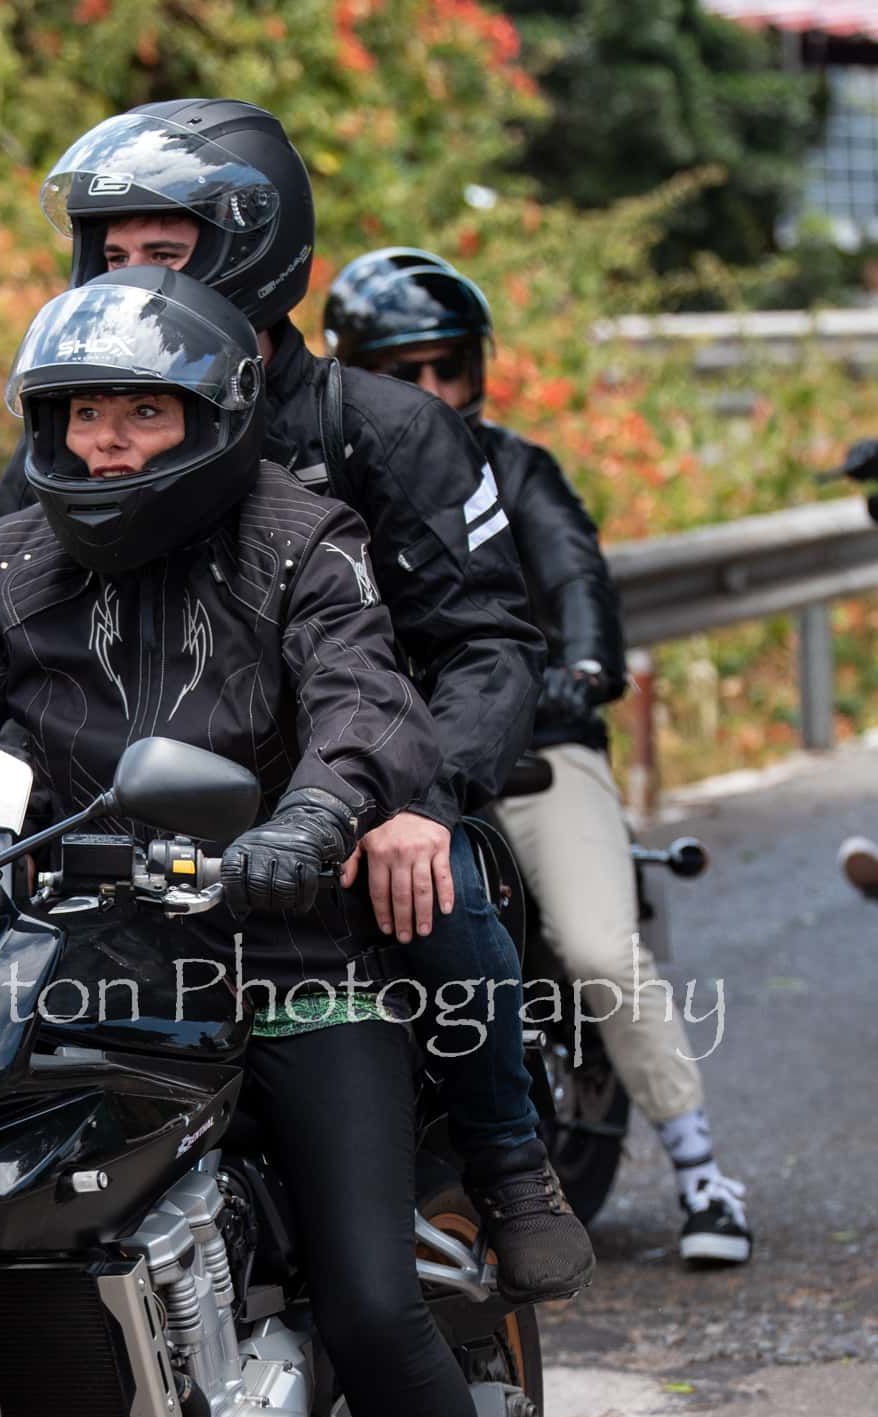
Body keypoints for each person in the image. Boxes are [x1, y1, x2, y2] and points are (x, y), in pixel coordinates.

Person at [0, 265, 611, 1417]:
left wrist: (309, 825)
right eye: (81, 414)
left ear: (212, 416)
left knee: (364, 1283)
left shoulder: (299, 538)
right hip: (79, 953)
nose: (105, 445)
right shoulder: (18, 561)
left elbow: (363, 700)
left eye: (139, 415)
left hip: (288, 960)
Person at [0, 99, 594, 1309]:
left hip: (369, 789)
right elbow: (2, 646)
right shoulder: (73, 427)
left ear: (252, 249)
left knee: (434, 876)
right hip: (141, 803)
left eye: (168, 252)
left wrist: (417, 798)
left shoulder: (386, 430)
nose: (136, 278)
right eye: (114, 257)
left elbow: (485, 648)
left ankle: (512, 1168)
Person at [328, 247, 753, 1266]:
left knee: (604, 949)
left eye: (447, 367)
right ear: (350, 370)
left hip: (533, 748)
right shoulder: (321, 477)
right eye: (401, 369)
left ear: (476, 368)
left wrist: (585, 666)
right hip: (380, 766)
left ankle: (703, 1175)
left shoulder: (517, 467)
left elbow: (572, 574)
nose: (429, 390)